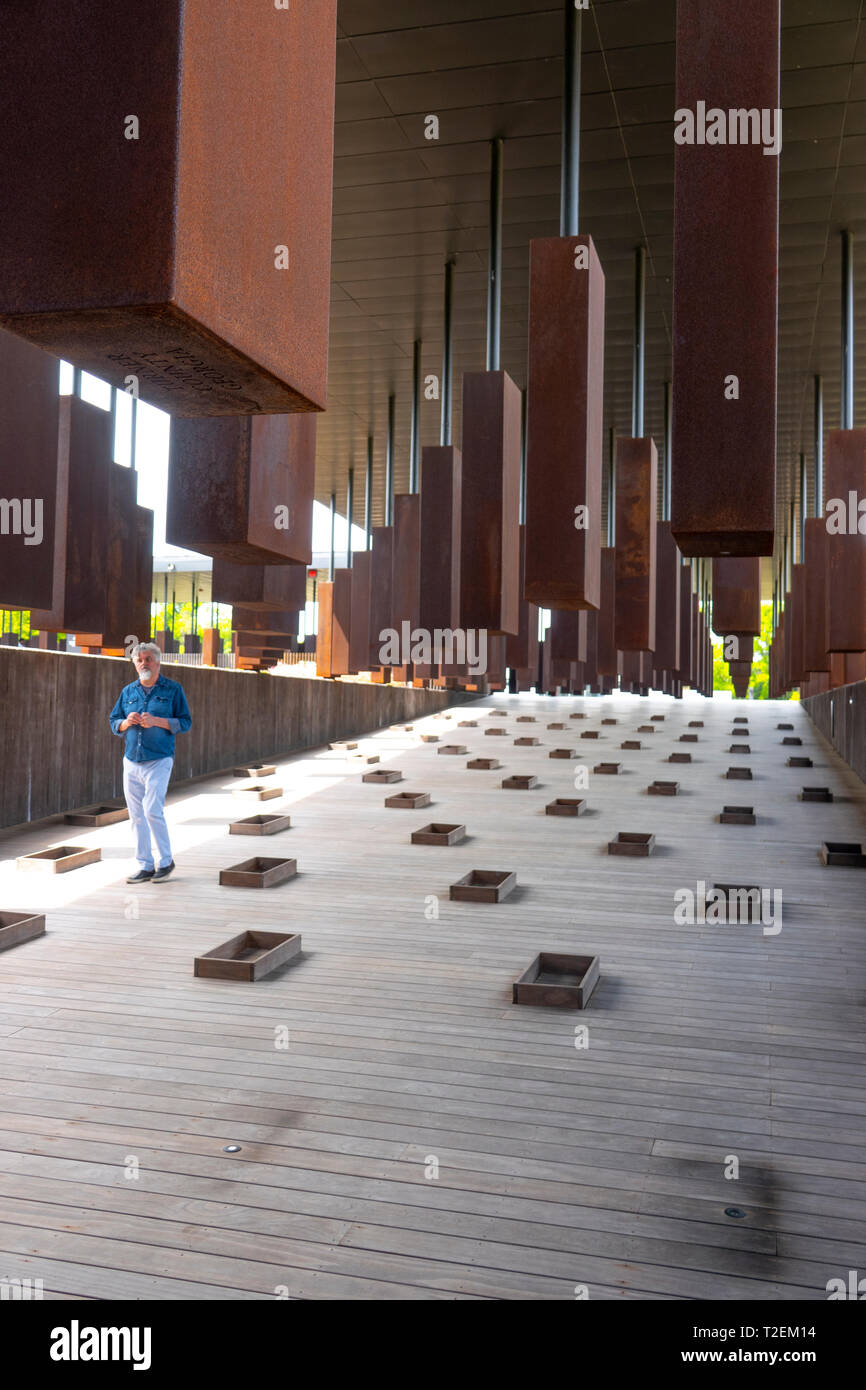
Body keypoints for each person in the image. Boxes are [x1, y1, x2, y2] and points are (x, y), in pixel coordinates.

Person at [109, 642, 192, 883]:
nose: (144, 663)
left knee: (151, 810)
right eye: (139, 659)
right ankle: (145, 865)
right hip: (131, 761)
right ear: (135, 665)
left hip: (160, 759)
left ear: (157, 662)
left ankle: (166, 861)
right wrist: (127, 722)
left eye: (148, 659)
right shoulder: (128, 692)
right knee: (135, 815)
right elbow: (115, 722)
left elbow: (184, 722)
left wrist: (157, 721)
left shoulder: (173, 690)